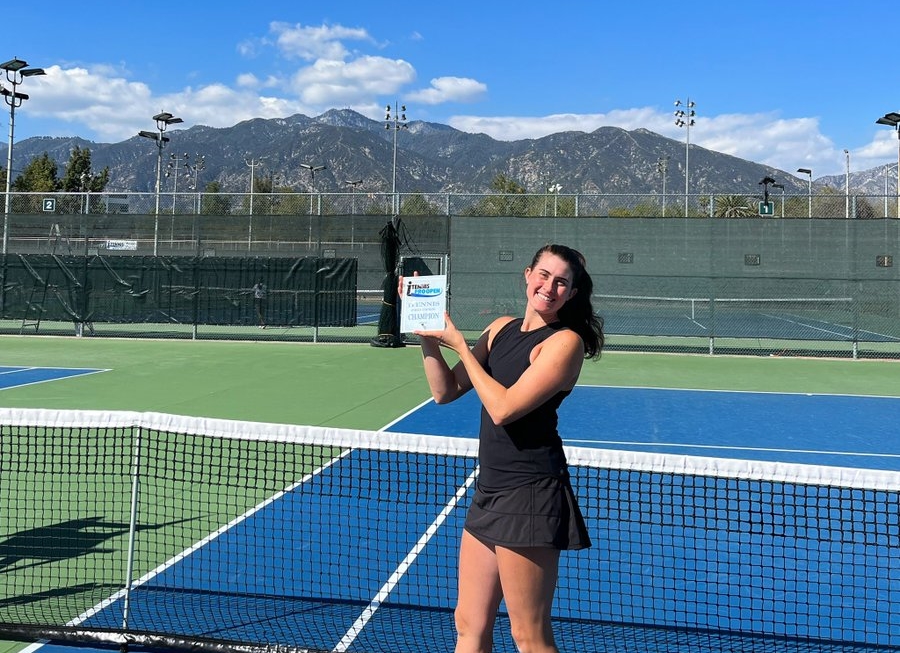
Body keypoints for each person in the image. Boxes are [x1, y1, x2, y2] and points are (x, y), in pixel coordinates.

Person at [403, 244, 604, 653]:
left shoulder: (565, 343)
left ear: (572, 294)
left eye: (562, 282)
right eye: (544, 275)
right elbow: (445, 391)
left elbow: (503, 408)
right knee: (469, 624)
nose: (550, 287)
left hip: (530, 493)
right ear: (528, 275)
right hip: (491, 490)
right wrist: (427, 337)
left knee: (527, 635)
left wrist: (459, 344)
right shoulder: (499, 329)